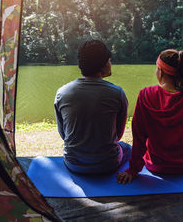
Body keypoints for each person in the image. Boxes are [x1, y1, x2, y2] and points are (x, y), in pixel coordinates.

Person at [117, 49, 183, 184]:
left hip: (155, 165)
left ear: (161, 71)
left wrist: (133, 170)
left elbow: (139, 136)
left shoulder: (145, 95)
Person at [54, 40, 131, 174]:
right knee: (127, 148)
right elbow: (117, 136)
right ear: (103, 64)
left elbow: (64, 134)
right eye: (109, 60)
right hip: (107, 164)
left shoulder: (62, 92)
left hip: (73, 164)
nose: (110, 64)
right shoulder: (117, 93)